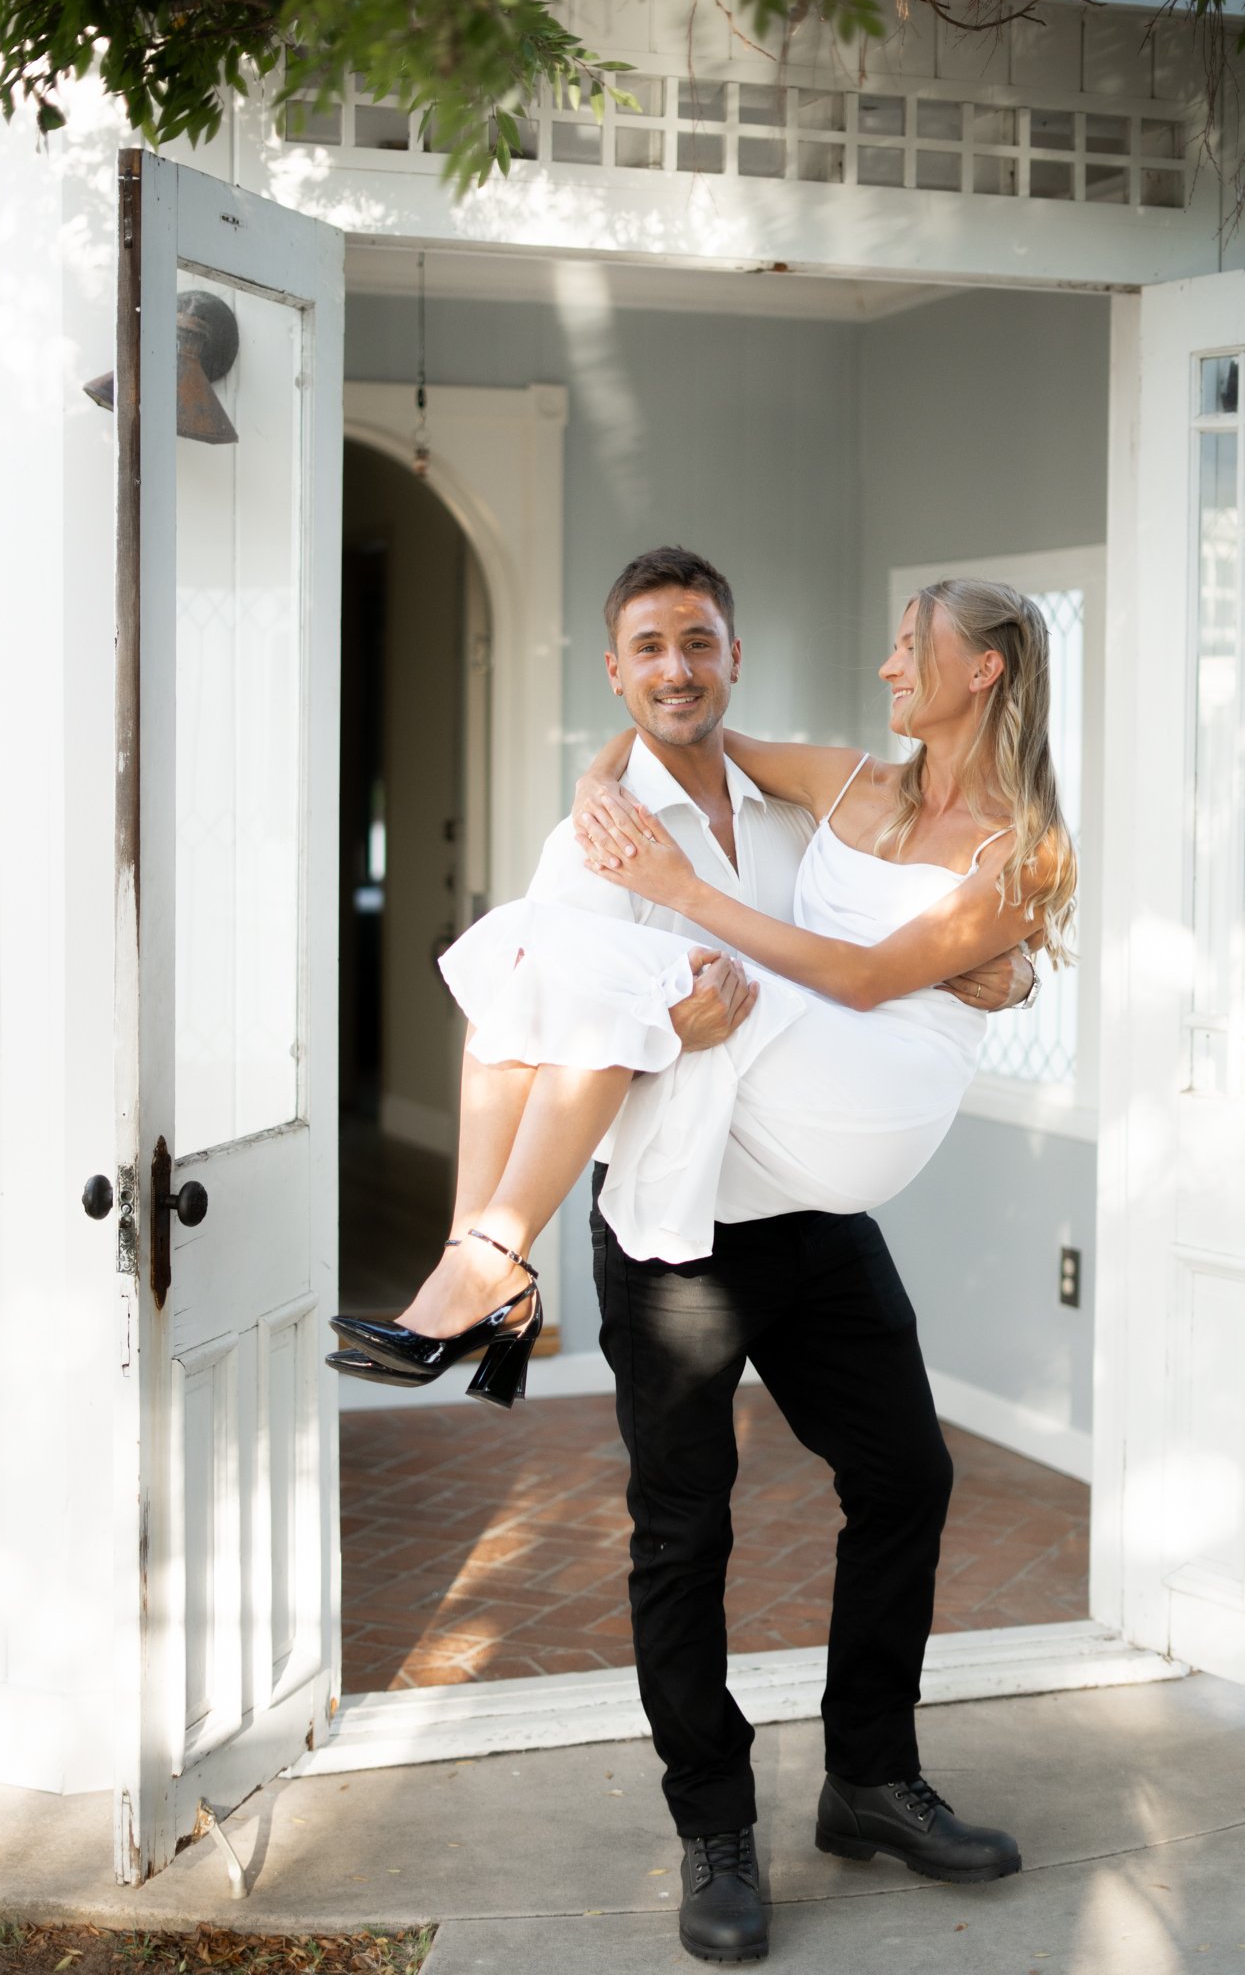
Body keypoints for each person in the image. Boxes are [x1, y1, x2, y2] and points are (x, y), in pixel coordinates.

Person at [329, 548, 1071, 1962]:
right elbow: (572, 1004)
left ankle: (867, 1779)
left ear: (729, 658)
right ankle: (712, 1825)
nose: (679, 672)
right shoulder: (605, 831)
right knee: (685, 1525)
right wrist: (622, 827)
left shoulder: (821, 793)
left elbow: (877, 957)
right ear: (619, 672)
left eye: (699, 644)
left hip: (815, 1218)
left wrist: (1008, 958)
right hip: (677, 1230)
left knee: (904, 1478)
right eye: (647, 652)